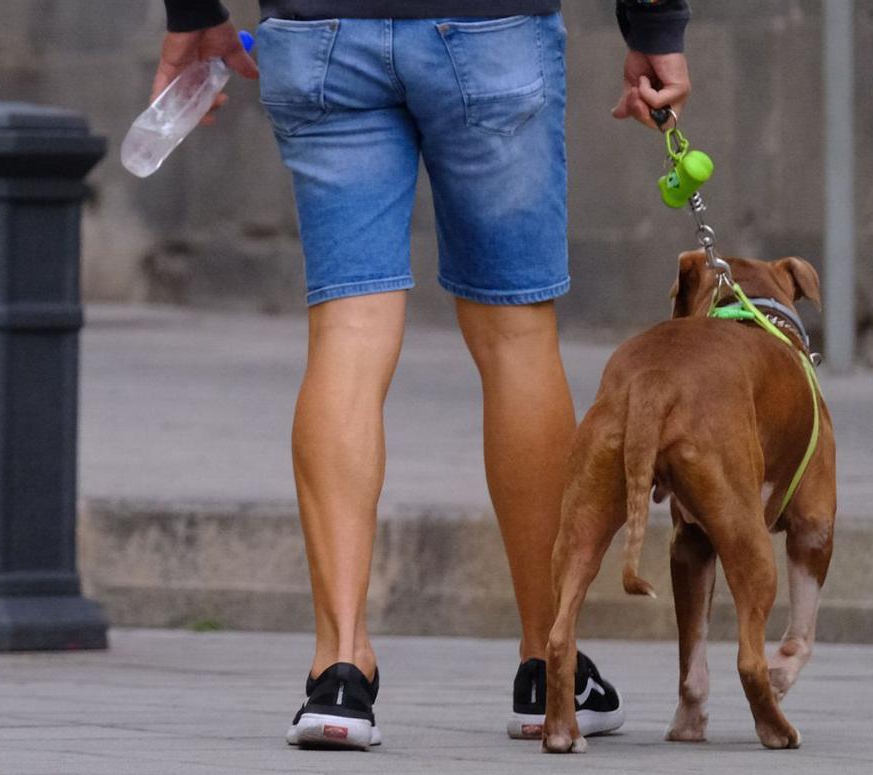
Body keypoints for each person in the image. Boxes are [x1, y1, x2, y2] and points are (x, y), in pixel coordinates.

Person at [154, 0, 691, 750]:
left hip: (319, 33)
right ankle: (549, 664)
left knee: (347, 329)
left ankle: (338, 670)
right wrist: (654, 28)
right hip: (489, 29)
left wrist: (193, 11)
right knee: (516, 338)